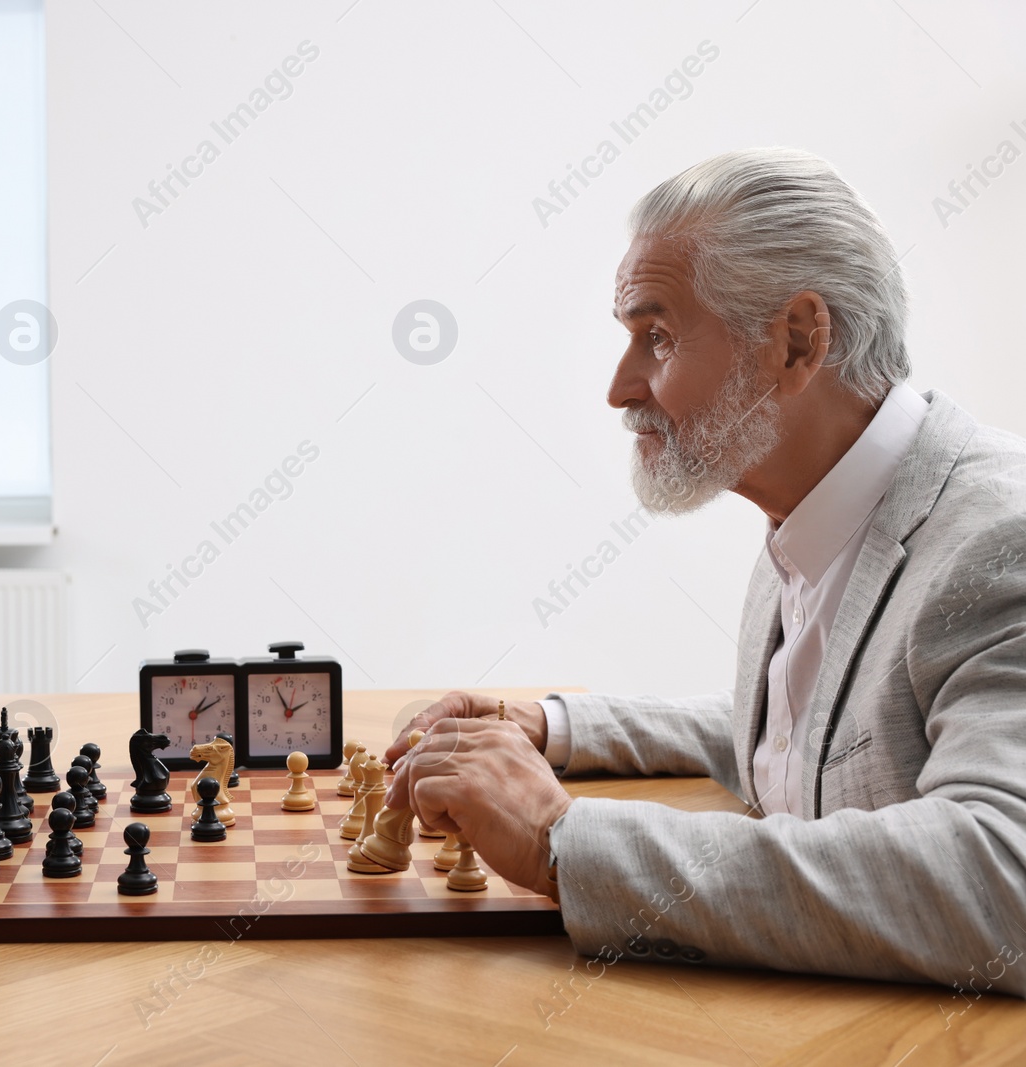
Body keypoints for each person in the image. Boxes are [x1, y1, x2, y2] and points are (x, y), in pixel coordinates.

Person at [387, 147, 1026, 1000]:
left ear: (798, 341)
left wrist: (559, 836)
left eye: (656, 336)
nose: (620, 389)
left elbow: (1001, 880)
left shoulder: (998, 538)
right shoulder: (819, 507)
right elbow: (819, 742)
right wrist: (550, 725)